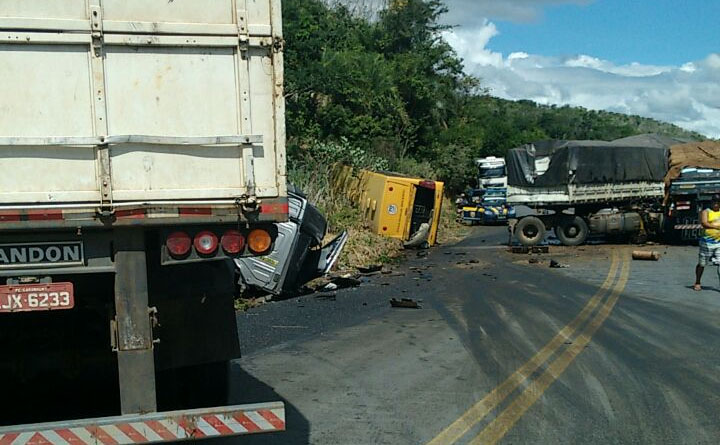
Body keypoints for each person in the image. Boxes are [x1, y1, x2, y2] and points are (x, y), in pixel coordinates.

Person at [694, 194, 720, 291]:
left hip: (719, 242)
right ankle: (697, 281)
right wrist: (716, 227)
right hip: (707, 242)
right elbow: (704, 223)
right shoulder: (706, 212)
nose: (716, 204)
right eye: (714, 202)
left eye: (718, 203)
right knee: (702, 263)